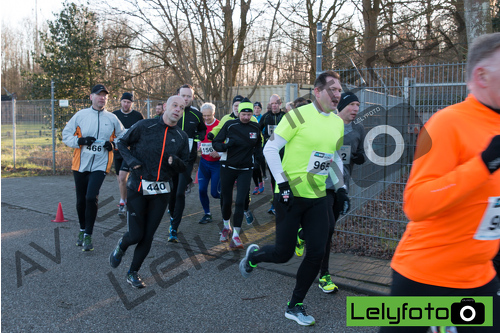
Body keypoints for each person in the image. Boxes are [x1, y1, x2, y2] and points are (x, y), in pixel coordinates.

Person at [379, 32, 500, 333]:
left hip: (481, 277)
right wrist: (484, 164)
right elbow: (416, 203)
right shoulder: (447, 123)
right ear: (482, 76)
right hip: (426, 278)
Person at [239, 71, 344, 326]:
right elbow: (270, 148)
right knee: (283, 253)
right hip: (290, 194)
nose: (338, 94)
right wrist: (283, 184)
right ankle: (254, 257)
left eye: (340, 90)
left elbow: (335, 156)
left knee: (316, 253)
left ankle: (294, 304)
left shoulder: (338, 123)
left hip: (318, 196)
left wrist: (340, 186)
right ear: (317, 92)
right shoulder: (297, 115)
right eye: (333, 89)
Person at [109, 95, 189, 288]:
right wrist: (131, 162)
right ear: (166, 107)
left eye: (182, 107)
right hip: (138, 187)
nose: (178, 109)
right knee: (135, 235)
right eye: (175, 105)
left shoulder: (181, 137)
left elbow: (185, 165)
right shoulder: (144, 126)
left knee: (148, 236)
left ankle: (133, 272)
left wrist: (176, 163)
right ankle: (122, 245)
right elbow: (121, 143)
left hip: (161, 191)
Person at [295, 91, 366, 294]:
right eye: (351, 104)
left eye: (357, 105)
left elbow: (359, 153)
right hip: (321, 184)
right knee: (327, 229)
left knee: (329, 229)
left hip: (341, 187)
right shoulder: (325, 123)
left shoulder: (358, 128)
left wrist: (360, 156)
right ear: (341, 106)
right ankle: (324, 274)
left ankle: (302, 234)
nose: (355, 109)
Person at [62, 84, 125, 251]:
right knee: (81, 200)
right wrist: (80, 141)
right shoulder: (81, 115)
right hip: (80, 164)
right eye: (98, 94)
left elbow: (123, 137)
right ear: (91, 97)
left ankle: (88, 234)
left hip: (101, 164)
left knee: (91, 197)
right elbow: (66, 135)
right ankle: (82, 230)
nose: (102, 97)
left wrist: (112, 144)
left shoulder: (111, 118)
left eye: (104, 95)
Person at [213, 98, 263, 249]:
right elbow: (216, 143)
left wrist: (259, 163)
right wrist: (226, 146)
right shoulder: (229, 124)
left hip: (245, 169)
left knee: (241, 201)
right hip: (227, 167)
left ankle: (236, 235)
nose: (246, 117)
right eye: (243, 114)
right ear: (239, 113)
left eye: (249, 114)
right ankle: (226, 226)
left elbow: (259, 147)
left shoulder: (255, 127)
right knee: (227, 201)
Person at [207, 95, 257, 224]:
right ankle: (226, 222)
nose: (246, 117)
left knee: (243, 196)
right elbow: (218, 131)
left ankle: (245, 209)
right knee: (226, 197)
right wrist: (221, 144)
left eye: (249, 114)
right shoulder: (227, 120)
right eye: (235, 106)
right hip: (228, 162)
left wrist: (257, 161)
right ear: (235, 108)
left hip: (245, 165)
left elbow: (258, 142)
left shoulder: (254, 122)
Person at [168, 84, 207, 242]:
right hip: (170, 160)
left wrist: (198, 138)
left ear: (192, 97)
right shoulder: (172, 111)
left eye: (189, 96)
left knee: (179, 193)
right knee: (171, 193)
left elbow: (203, 129)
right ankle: (172, 216)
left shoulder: (197, 114)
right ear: (177, 94)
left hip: (187, 160)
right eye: (183, 95)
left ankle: (174, 229)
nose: (186, 99)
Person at [113, 92, 144, 216]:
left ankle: (122, 202)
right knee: (120, 180)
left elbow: (142, 133)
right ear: (121, 102)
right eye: (124, 101)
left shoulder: (137, 116)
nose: (126, 104)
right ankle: (125, 199)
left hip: (130, 152)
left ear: (132, 103)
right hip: (117, 151)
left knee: (122, 177)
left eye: (129, 102)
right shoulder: (114, 115)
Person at [259, 94, 286, 215]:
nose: (273, 106)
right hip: (271, 153)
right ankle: (275, 204)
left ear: (280, 104)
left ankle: (281, 202)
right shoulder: (265, 117)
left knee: (283, 177)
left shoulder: (285, 116)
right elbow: (257, 129)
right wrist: (264, 139)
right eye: (271, 104)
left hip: (284, 152)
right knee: (274, 178)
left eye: (276, 103)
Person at [197, 102, 221, 224]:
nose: (206, 118)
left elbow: (227, 143)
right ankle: (207, 214)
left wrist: (219, 152)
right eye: (204, 116)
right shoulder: (200, 125)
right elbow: (198, 140)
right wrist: (198, 148)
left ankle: (227, 200)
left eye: (209, 115)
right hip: (204, 163)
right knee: (201, 190)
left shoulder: (220, 125)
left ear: (214, 113)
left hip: (217, 164)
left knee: (215, 193)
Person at [251, 101, 267, 194]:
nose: (256, 110)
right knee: (253, 167)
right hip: (251, 145)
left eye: (258, 108)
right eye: (255, 108)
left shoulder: (263, 117)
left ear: (261, 109)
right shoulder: (250, 117)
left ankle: (262, 178)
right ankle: (257, 185)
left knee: (258, 164)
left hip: (260, 143)